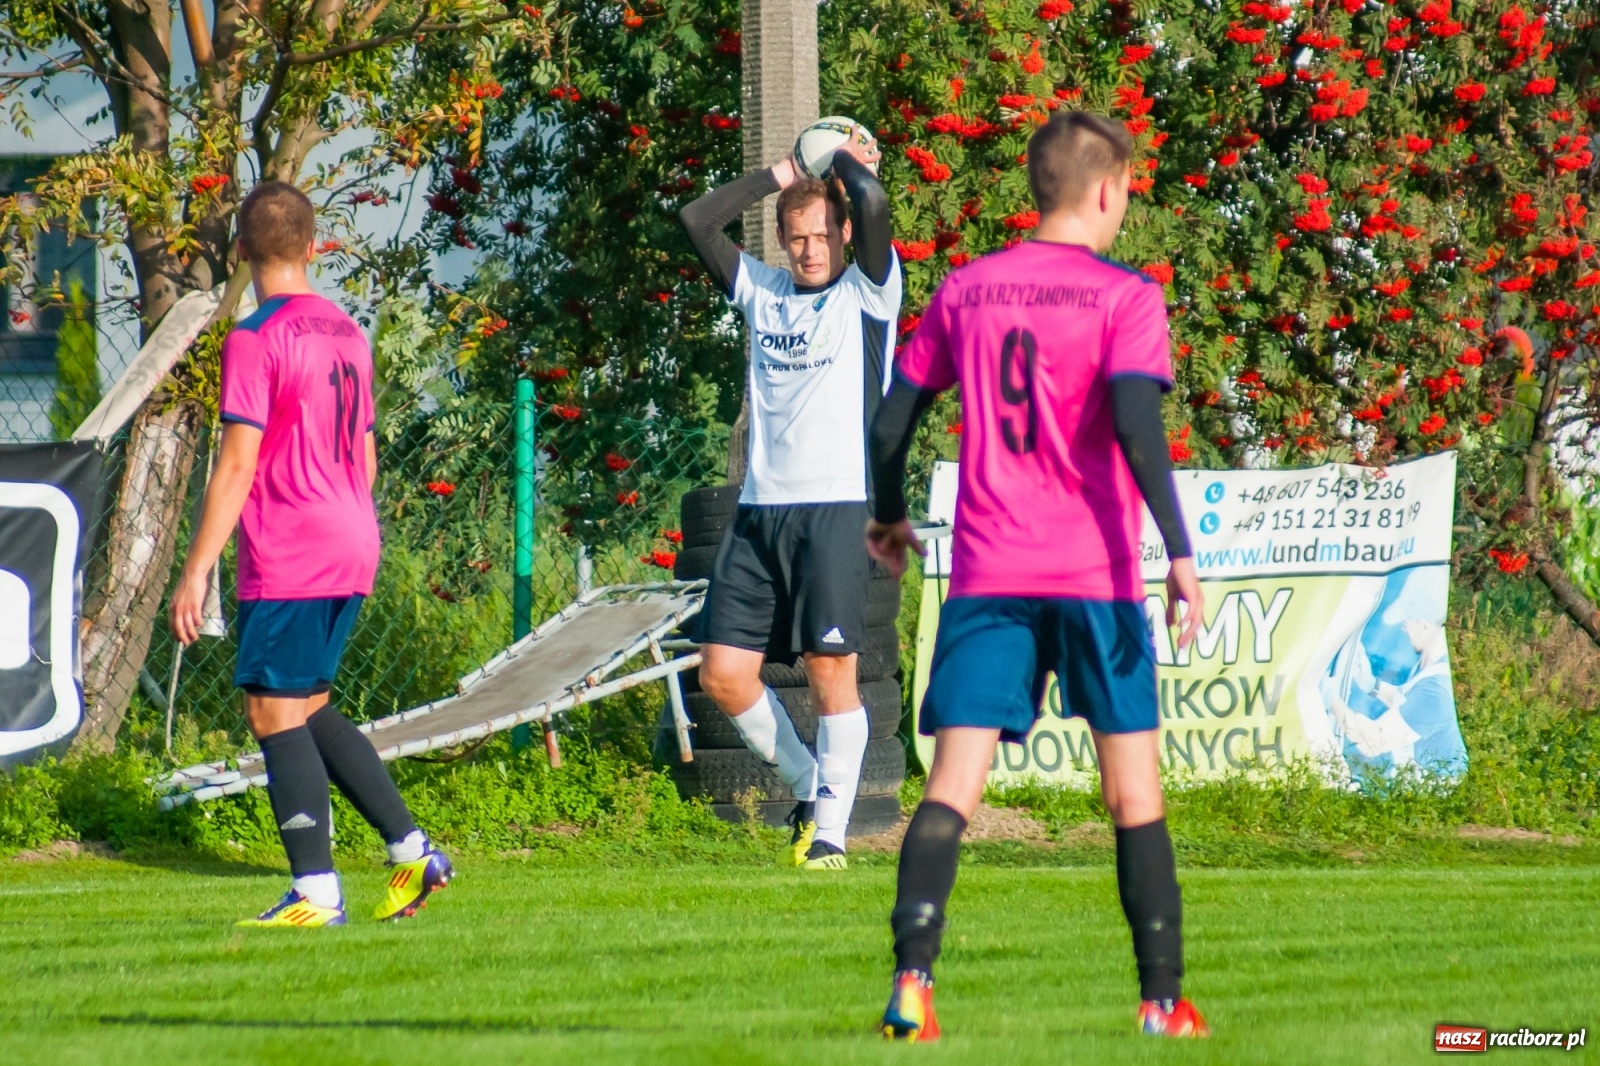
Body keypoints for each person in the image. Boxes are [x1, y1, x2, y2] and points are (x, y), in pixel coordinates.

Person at [864, 111, 1210, 1040]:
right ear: (1106, 190)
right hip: (1092, 580)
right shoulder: (1126, 296)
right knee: (1133, 795)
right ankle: (1162, 1004)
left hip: (989, 576)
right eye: (1128, 192)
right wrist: (1179, 551)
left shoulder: (968, 290)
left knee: (951, 789)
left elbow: (891, 423)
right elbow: (1138, 428)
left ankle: (911, 980)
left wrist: (888, 515)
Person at [169, 181, 450, 928]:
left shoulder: (254, 337)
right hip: (353, 536)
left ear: (240, 253)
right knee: (309, 705)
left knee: (269, 710)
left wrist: (196, 569)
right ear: (314, 245)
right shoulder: (348, 333)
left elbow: (236, 464)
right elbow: (366, 456)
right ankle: (411, 849)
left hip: (293, 547)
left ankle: (316, 891)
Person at [679, 129, 902, 869]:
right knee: (722, 674)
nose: (810, 251)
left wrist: (842, 159)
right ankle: (810, 788)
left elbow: (870, 199)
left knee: (830, 670)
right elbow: (695, 221)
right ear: (782, 241)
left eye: (821, 236)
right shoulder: (763, 292)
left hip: (838, 509)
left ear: (843, 234)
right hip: (758, 513)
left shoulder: (868, 292)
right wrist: (785, 170)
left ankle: (831, 834)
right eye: (796, 238)